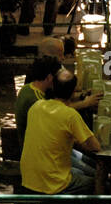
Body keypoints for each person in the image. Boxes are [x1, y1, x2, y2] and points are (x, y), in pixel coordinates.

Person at [19, 68, 100, 196]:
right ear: (73, 92)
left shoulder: (37, 106)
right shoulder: (70, 115)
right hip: (54, 183)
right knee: (97, 182)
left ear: (53, 86)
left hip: (29, 177)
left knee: (80, 170)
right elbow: (95, 147)